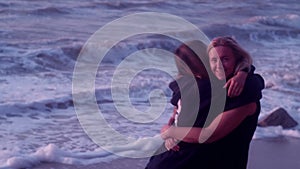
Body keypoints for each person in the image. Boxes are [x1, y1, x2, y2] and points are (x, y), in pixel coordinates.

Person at [145, 37, 264, 169]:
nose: (219, 65)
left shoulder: (244, 90)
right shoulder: (200, 88)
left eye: (225, 59)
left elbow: (208, 134)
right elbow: (176, 116)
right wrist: (169, 130)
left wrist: (169, 131)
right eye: (214, 60)